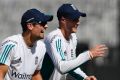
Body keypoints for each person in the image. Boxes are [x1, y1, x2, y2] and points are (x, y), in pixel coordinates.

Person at [44, 3, 108, 80]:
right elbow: (62, 67)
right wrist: (89, 54)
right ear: (63, 20)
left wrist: (85, 77)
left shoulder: (73, 37)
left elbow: (71, 65)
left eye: (78, 19)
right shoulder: (54, 38)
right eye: (74, 19)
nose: (78, 22)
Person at [0, 8, 53, 80]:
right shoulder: (10, 45)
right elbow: (0, 74)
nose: (46, 26)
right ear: (30, 26)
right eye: (43, 23)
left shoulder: (41, 47)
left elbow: (35, 75)